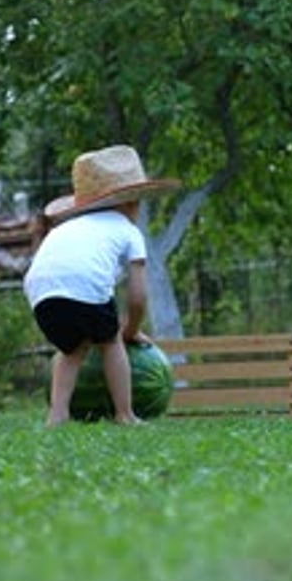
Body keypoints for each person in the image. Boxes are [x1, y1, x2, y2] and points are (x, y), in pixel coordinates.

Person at [23, 144, 180, 427]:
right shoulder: (128, 231)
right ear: (132, 204)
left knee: (71, 350)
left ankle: (57, 415)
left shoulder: (66, 228)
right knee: (111, 342)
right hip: (83, 284)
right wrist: (131, 330)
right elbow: (137, 296)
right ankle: (125, 414)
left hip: (40, 291)